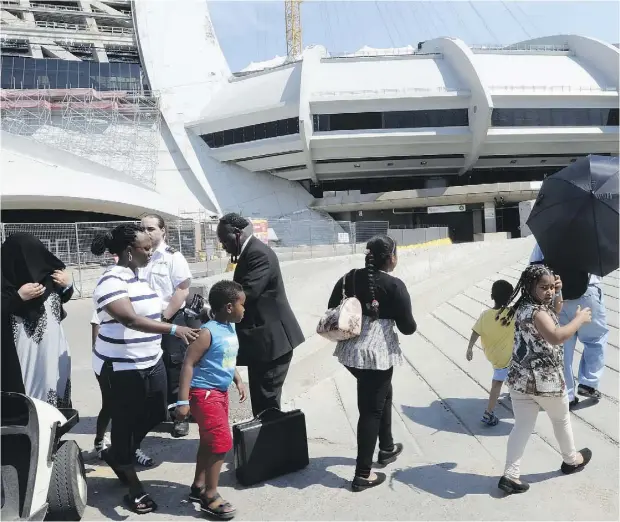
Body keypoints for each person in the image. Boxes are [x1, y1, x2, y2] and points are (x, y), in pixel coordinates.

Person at [91, 223, 200, 514]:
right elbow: (129, 319)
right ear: (129, 251)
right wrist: (174, 329)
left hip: (151, 361)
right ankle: (133, 486)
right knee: (125, 423)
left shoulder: (139, 279)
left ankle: (119, 453)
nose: (150, 251)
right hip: (121, 367)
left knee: (155, 413)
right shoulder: (111, 280)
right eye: (145, 247)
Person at [327, 234, 416, 492]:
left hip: (350, 353)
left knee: (383, 394)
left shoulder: (349, 277)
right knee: (370, 410)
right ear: (391, 257)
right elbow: (408, 328)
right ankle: (362, 474)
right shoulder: (395, 285)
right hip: (376, 356)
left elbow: (332, 307)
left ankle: (386, 448)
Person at [497, 264, 593, 495]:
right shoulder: (537, 312)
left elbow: (555, 311)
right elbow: (556, 336)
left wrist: (557, 292)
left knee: (521, 426)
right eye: (544, 287)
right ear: (530, 287)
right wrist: (579, 319)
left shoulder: (525, 306)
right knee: (561, 420)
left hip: (520, 380)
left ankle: (510, 475)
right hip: (545, 380)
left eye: (551, 286)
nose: (549, 291)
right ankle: (571, 460)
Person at [216, 213, 304, 416]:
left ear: (237, 234)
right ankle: (267, 443)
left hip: (273, 343)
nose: (223, 246)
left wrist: (217, 308)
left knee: (267, 401)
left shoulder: (258, 254)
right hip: (263, 344)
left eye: (225, 240)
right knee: (261, 399)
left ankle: (271, 445)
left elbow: (246, 293)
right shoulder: (250, 252)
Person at [176, 280, 247, 520]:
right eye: (242, 305)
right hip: (204, 394)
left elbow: (226, 357)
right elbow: (188, 363)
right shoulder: (207, 332)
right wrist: (182, 401)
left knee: (209, 442)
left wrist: (237, 378)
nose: (244, 309)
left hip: (220, 393)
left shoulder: (230, 328)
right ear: (229, 307)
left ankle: (198, 486)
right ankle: (210, 495)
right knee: (222, 443)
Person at [530, 243, 609, 408]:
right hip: (588, 291)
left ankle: (567, 394)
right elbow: (603, 263)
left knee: (563, 346)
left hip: (557, 296)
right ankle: (589, 382)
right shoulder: (590, 234)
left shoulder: (545, 236)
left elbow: (533, 269)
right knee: (595, 339)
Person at [1, 233, 74, 406]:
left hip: (54, 347)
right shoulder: (6, 282)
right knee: (29, 393)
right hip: (23, 354)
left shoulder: (51, 276)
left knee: (55, 385)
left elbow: (61, 299)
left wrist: (68, 285)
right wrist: (18, 297)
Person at [140, 214, 194, 438]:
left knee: (174, 369)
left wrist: (165, 318)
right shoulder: (138, 256)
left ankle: (180, 417)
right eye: (143, 229)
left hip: (169, 320)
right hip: (144, 322)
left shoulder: (173, 257)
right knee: (148, 368)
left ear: (163, 231)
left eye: (151, 228)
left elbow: (182, 290)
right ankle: (155, 413)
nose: (147, 232)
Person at [91, 310, 155, 467]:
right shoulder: (105, 306)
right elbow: (96, 342)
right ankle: (99, 441)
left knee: (137, 408)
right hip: (108, 365)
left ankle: (134, 448)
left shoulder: (137, 305)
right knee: (110, 405)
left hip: (133, 363)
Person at [466, 280, 515, 426]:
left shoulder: (485, 315)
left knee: (507, 374)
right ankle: (488, 412)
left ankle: (511, 393)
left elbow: (475, 332)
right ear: (511, 298)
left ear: (492, 296)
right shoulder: (512, 314)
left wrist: (470, 348)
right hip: (507, 357)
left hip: (493, 355)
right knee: (497, 383)